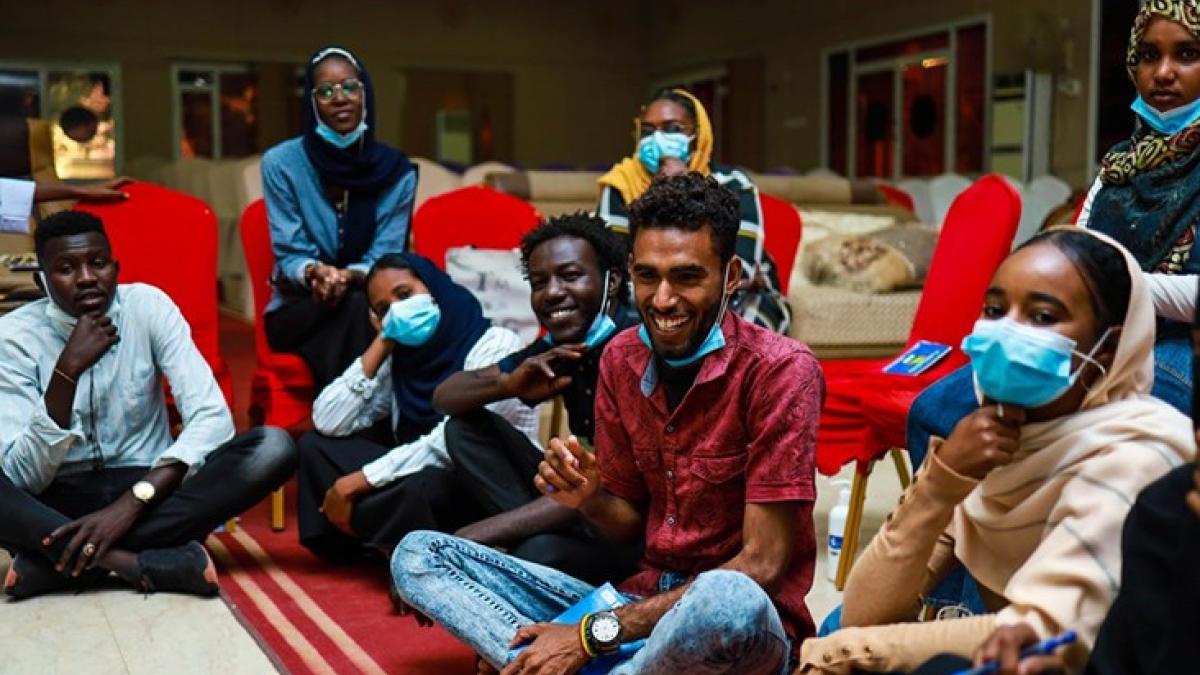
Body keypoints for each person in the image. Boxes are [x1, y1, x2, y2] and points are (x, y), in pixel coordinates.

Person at [393, 173, 824, 675]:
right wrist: (589, 497)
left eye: (686, 277)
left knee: (725, 596)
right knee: (419, 554)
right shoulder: (621, 357)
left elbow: (763, 567)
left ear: (730, 277)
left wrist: (589, 635)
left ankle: (550, 664)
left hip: (733, 625)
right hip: (634, 601)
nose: (662, 300)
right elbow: (625, 525)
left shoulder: (781, 371)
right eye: (647, 276)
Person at [796, 229, 1195, 674]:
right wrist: (940, 482)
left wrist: (841, 654)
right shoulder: (1000, 435)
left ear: (1107, 350)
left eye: (1042, 317)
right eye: (995, 310)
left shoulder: (1137, 454)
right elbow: (863, 612)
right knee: (837, 628)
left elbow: (1044, 633)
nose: (1007, 332)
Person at [0, 211, 297, 599]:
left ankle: (55, 559)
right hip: (57, 494)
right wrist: (66, 372)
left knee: (274, 448)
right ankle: (133, 563)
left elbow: (211, 417)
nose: (87, 277)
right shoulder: (14, 337)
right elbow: (23, 476)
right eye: (66, 268)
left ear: (116, 267)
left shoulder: (149, 307)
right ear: (41, 279)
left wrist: (131, 503)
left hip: (148, 488)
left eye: (98, 263)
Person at [433, 212, 642, 585]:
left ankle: (530, 553)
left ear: (612, 282)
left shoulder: (632, 349)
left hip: (626, 525)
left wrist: (470, 536)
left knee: (538, 555)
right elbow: (445, 398)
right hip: (580, 501)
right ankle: (531, 550)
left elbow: (604, 489)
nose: (552, 293)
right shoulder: (565, 344)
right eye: (540, 282)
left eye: (571, 276)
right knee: (465, 429)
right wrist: (509, 384)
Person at [296, 252, 537, 562]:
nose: (398, 311)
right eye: (384, 310)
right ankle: (387, 538)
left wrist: (356, 483)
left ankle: (375, 532)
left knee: (427, 485)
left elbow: (447, 444)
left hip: (480, 484)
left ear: (435, 288)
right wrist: (383, 341)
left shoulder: (496, 344)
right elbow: (328, 420)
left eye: (405, 295)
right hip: (412, 475)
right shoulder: (402, 355)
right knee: (316, 447)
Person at [261, 45, 417, 391]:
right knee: (355, 310)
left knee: (359, 305)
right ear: (311, 102)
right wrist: (316, 273)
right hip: (299, 307)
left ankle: (342, 418)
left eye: (349, 87)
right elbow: (289, 252)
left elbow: (388, 252)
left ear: (366, 94)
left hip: (368, 298)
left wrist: (346, 276)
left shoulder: (396, 171)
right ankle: (361, 422)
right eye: (326, 91)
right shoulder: (281, 164)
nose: (340, 98)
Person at [597, 88, 792, 335]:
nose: (657, 138)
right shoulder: (621, 184)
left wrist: (686, 185)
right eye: (647, 131)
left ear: (697, 135)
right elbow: (615, 269)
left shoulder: (733, 184)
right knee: (626, 328)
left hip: (733, 298)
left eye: (672, 129)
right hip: (644, 298)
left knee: (744, 333)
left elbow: (739, 269)